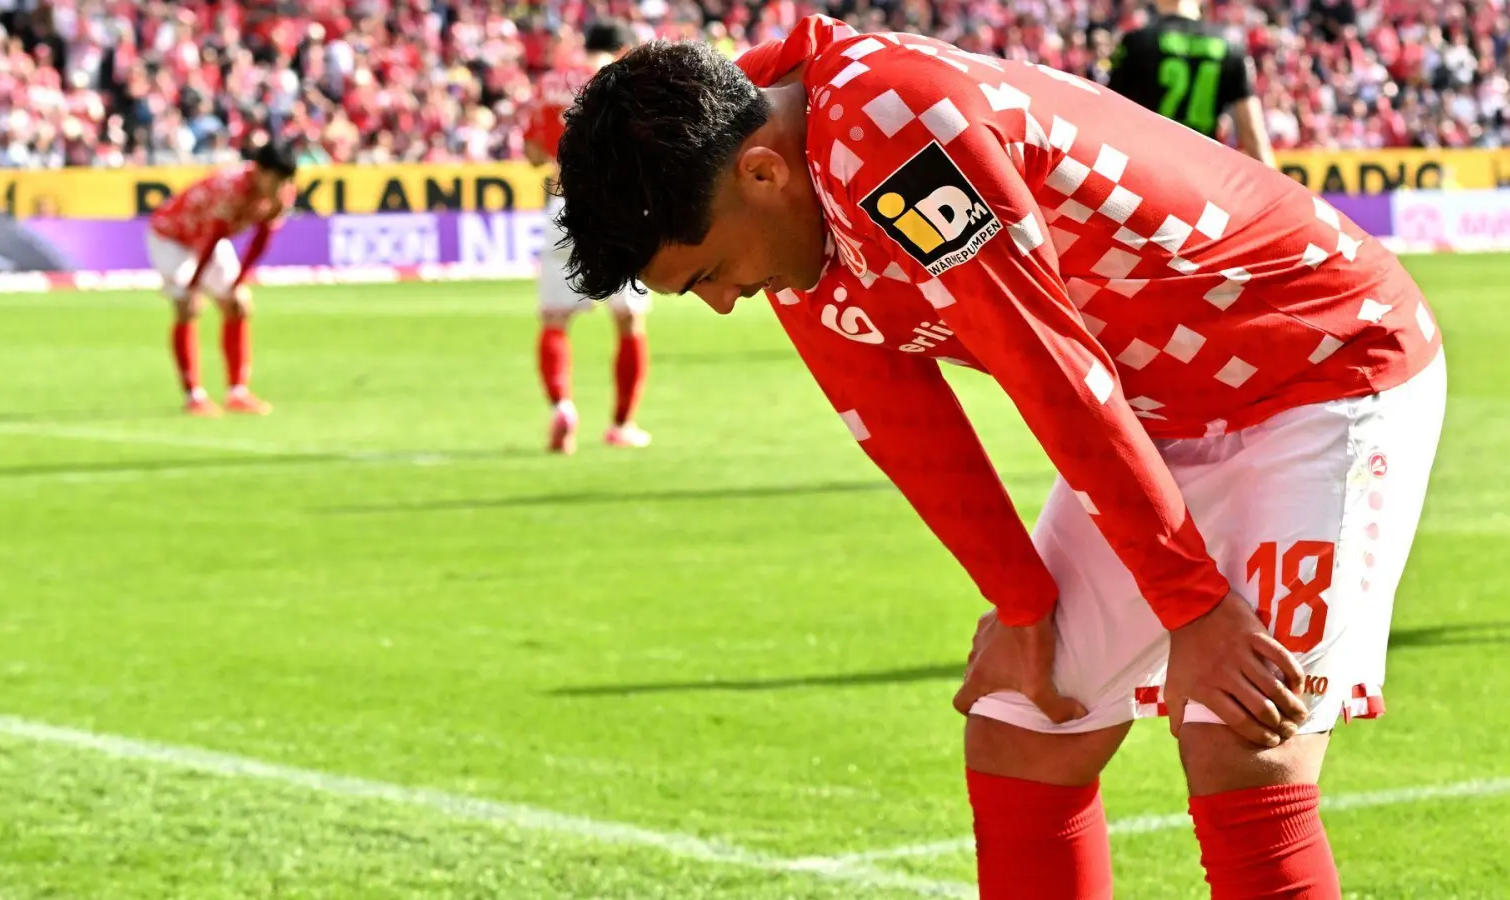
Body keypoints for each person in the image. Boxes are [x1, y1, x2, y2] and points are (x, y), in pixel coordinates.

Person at [553, 14, 1445, 898]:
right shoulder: (748, 155)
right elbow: (894, 413)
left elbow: (1049, 370)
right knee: (1021, 722)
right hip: (1158, 411)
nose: (721, 303)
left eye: (708, 274)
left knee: (1240, 740)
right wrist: (1020, 604)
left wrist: (1195, 607)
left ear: (763, 172)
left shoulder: (893, 135)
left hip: (1322, 368)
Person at [525, 19, 649, 454]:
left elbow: (533, 154)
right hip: (620, 207)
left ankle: (562, 405)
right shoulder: (630, 81)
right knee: (629, 320)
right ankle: (622, 424)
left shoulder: (553, 85)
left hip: (565, 204)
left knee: (555, 319)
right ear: (621, 48)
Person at [147, 141, 297, 416]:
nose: (279, 188)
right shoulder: (232, 189)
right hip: (173, 237)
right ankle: (194, 396)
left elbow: (262, 239)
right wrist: (192, 288)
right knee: (188, 307)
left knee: (238, 304)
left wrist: (237, 282)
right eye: (275, 180)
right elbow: (212, 236)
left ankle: (237, 392)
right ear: (260, 171)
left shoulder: (283, 193)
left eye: (284, 181)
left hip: (208, 241)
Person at [1108, 0, 1276, 167]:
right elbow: (1252, 133)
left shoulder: (1135, 42)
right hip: (1202, 174)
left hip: (1149, 172)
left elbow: (1111, 116)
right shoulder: (1230, 46)